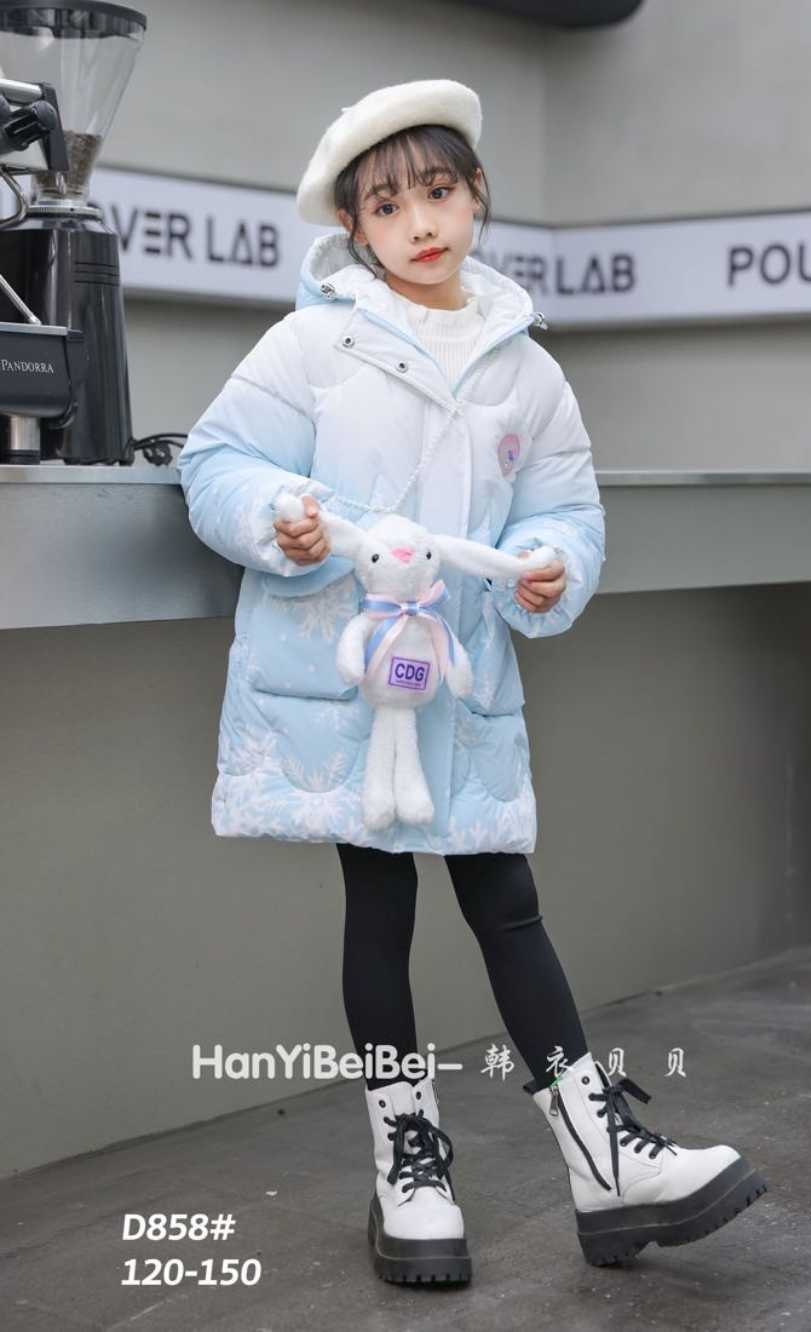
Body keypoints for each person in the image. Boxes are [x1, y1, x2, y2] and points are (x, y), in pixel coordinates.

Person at [176, 78, 767, 1286]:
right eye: (387, 206)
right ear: (355, 228)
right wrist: (277, 513)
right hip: (347, 685)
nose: (419, 223)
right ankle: (409, 1169)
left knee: (505, 900)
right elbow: (215, 459)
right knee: (379, 905)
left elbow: (564, 512)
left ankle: (601, 1162)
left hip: (458, 682)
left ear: (475, 193)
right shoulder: (311, 344)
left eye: (437, 192)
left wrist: (549, 568)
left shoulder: (526, 372)